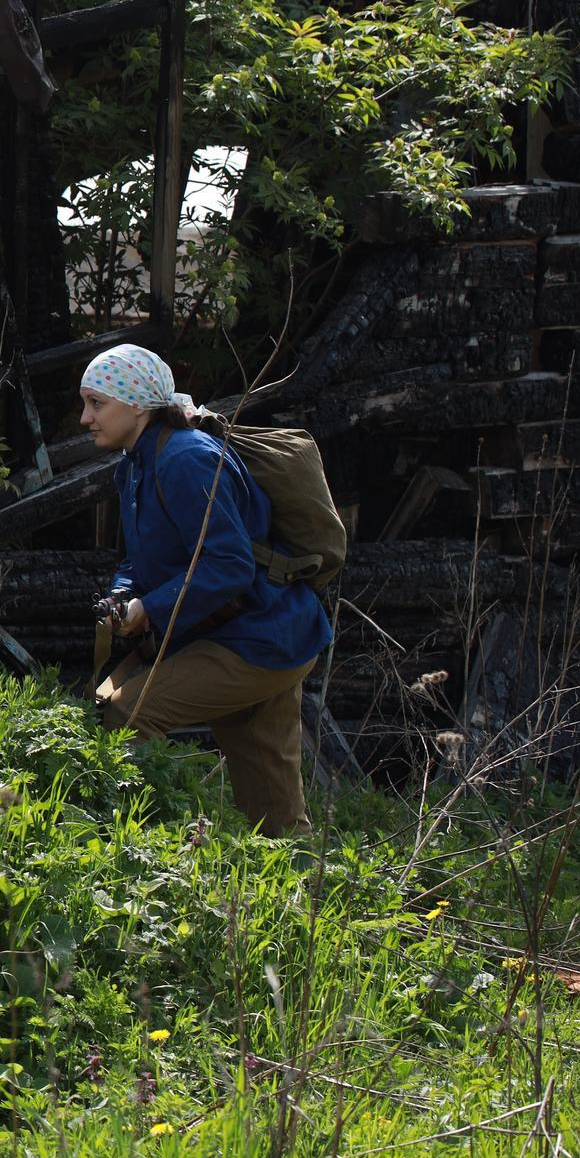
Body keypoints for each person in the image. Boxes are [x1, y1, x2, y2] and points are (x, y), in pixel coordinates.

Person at [81, 344, 334, 835]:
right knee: (273, 803)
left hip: (261, 635)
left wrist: (151, 608)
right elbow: (145, 556)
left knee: (127, 714)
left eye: (97, 403)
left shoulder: (186, 459)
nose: (86, 417)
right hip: (255, 629)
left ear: (137, 404)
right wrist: (124, 595)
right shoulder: (136, 461)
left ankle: (140, 847)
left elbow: (230, 565)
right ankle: (300, 894)